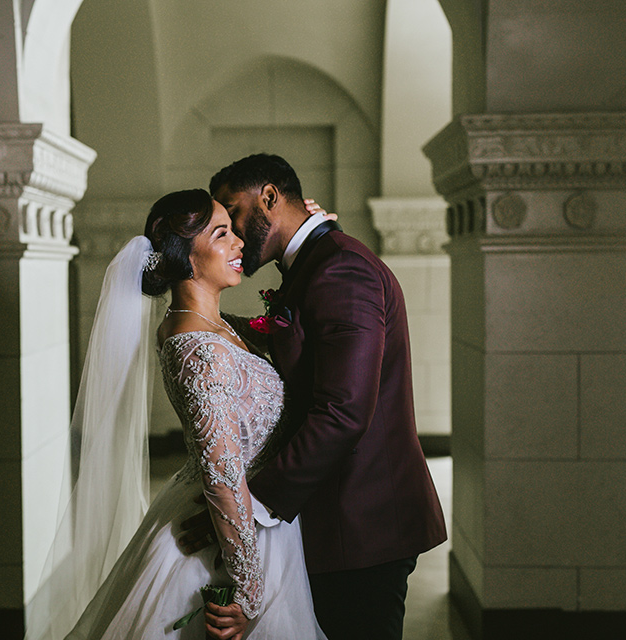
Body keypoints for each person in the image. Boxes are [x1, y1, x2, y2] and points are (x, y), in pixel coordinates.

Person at [24, 188, 327, 640]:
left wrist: (314, 232)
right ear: (184, 256)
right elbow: (222, 479)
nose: (239, 242)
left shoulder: (217, 327)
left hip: (257, 517)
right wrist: (247, 593)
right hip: (224, 538)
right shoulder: (195, 349)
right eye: (222, 234)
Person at [184, 154, 448, 640]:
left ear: (268, 197)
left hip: (364, 524)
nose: (236, 238)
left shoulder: (340, 268)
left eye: (233, 212)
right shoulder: (315, 265)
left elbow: (344, 412)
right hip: (337, 517)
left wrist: (249, 504)